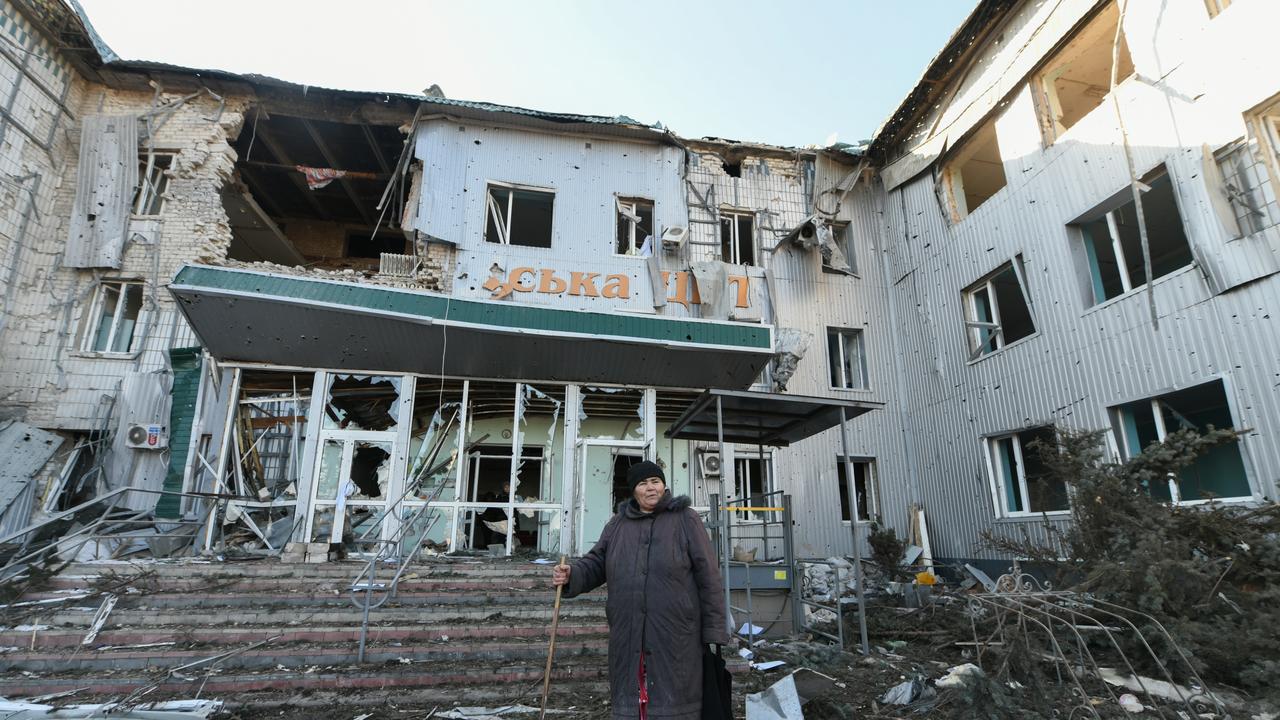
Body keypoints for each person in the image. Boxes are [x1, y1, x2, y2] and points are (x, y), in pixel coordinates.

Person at [552, 460, 727, 720]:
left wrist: (714, 630)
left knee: (676, 703)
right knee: (631, 700)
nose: (650, 488)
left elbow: (708, 576)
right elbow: (597, 562)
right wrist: (572, 574)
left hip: (676, 634)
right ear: (633, 490)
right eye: (643, 484)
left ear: (664, 485)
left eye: (655, 481)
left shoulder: (685, 519)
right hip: (629, 632)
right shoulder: (617, 525)